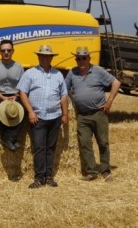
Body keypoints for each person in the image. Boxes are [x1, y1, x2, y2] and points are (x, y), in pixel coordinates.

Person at [65, 46, 120, 182]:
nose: (81, 61)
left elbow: (116, 83)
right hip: (82, 115)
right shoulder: (72, 72)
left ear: (89, 58)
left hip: (99, 113)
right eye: (78, 58)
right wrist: (72, 102)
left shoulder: (98, 71)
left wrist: (109, 102)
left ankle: (105, 171)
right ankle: (91, 171)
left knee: (103, 142)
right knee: (85, 143)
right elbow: (64, 89)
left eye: (84, 58)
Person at [17, 44, 69, 188]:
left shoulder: (58, 74)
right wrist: (30, 112)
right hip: (38, 117)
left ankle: (49, 177)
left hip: (55, 116)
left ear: (51, 57)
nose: (45, 58)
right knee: (39, 147)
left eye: (48, 56)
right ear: (38, 56)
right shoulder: (30, 73)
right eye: (42, 55)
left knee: (50, 148)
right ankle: (39, 178)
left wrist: (65, 114)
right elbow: (22, 93)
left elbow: (64, 95)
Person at [0, 39, 25, 151]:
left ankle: (8, 138)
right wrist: (3, 98)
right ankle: (11, 139)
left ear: (13, 51)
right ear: (0, 52)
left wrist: (16, 96)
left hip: (15, 94)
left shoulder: (19, 67)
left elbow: (22, 85)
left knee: (24, 109)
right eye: (3, 50)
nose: (6, 52)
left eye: (9, 50)